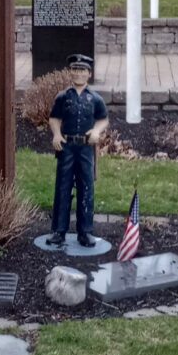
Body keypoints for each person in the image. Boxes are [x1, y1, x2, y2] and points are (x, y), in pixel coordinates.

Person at [48, 53, 109, 247]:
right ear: (70, 72)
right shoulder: (63, 96)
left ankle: (86, 231)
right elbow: (54, 118)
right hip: (67, 147)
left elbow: (103, 119)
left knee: (86, 187)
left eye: (82, 70)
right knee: (63, 186)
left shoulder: (95, 99)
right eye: (75, 70)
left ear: (89, 74)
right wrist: (56, 134)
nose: (78, 74)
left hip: (85, 148)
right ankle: (59, 230)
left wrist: (97, 131)